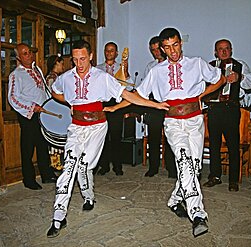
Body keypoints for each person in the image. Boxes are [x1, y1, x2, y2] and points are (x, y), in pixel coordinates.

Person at [46, 40, 169, 238]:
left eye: (83, 58)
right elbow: (55, 92)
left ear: (91, 56)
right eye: (75, 59)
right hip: (76, 127)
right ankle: (58, 217)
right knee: (69, 167)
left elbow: (127, 95)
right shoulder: (66, 77)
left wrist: (153, 105)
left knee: (85, 165)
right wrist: (71, 101)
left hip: (97, 126)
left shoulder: (102, 77)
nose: (79, 63)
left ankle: (88, 197)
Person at [136, 27, 230, 237]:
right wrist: (153, 105)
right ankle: (197, 214)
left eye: (176, 45)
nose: (173, 51)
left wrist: (201, 95)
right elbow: (139, 94)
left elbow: (221, 79)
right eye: (167, 47)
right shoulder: (156, 71)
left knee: (194, 168)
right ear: (162, 49)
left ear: (181, 43)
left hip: (195, 120)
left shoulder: (196, 63)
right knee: (185, 162)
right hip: (173, 123)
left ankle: (175, 200)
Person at [203, 39, 251, 192]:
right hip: (213, 109)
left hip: (231, 109)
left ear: (231, 50)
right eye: (221, 49)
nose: (224, 51)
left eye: (227, 48)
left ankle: (233, 180)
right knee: (214, 145)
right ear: (216, 52)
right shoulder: (210, 66)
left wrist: (240, 78)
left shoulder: (240, 65)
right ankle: (215, 176)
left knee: (233, 145)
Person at [8, 43, 57, 190]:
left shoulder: (37, 69)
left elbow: (44, 90)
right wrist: (31, 107)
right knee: (28, 148)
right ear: (18, 57)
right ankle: (28, 179)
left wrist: (51, 104)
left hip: (42, 114)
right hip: (28, 115)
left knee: (43, 144)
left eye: (29, 52)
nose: (29, 55)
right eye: (24, 53)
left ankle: (46, 174)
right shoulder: (16, 75)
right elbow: (13, 98)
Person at [95, 42, 134, 176]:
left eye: (112, 51)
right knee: (102, 137)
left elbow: (128, 88)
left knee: (116, 137)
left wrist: (125, 71)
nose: (109, 53)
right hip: (102, 105)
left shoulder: (121, 68)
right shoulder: (97, 69)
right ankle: (104, 165)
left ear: (116, 53)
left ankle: (118, 166)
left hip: (116, 105)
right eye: (107, 51)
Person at [142, 36, 177, 178]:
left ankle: (172, 168)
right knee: (154, 137)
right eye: (153, 50)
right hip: (154, 105)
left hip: (169, 105)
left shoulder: (173, 64)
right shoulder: (151, 67)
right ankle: (153, 167)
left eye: (157, 49)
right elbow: (145, 88)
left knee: (171, 138)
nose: (156, 53)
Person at [45, 55, 66, 172]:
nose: (63, 66)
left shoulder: (57, 77)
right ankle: (55, 164)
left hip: (58, 111)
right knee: (55, 139)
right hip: (54, 111)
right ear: (56, 64)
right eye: (61, 63)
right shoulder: (52, 78)